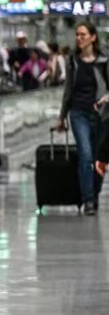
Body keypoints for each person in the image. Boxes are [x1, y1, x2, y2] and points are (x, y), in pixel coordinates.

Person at [57, 21, 109, 215]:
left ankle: (94, 195)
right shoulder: (73, 61)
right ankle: (88, 200)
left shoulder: (104, 60)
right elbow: (68, 89)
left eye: (83, 35)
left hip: (101, 114)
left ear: (93, 37)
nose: (79, 38)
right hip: (78, 112)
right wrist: (62, 116)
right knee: (85, 155)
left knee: (99, 158)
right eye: (77, 35)